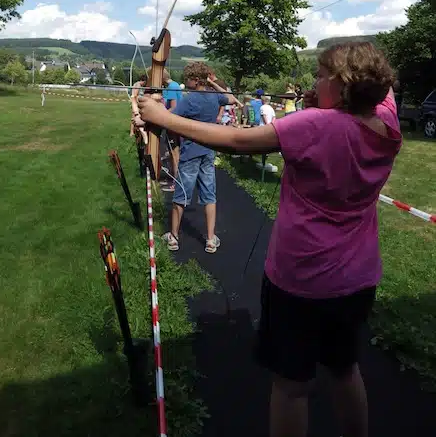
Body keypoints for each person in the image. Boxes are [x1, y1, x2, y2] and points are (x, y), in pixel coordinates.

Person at [138, 42, 401, 437]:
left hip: (301, 280)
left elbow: (238, 142)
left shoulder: (315, 125)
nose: (314, 82)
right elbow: (381, 95)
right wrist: (328, 100)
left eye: (321, 76)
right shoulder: (387, 124)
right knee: (345, 370)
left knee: (292, 387)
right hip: (357, 280)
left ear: (344, 86)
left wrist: (161, 117)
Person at [155, 62, 238, 254]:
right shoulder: (214, 97)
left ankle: (174, 238)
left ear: (196, 80)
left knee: (182, 195)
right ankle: (210, 239)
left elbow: (168, 119)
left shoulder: (189, 100)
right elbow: (232, 99)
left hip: (191, 154)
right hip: (208, 153)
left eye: (188, 78)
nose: (185, 81)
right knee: (209, 195)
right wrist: (213, 83)